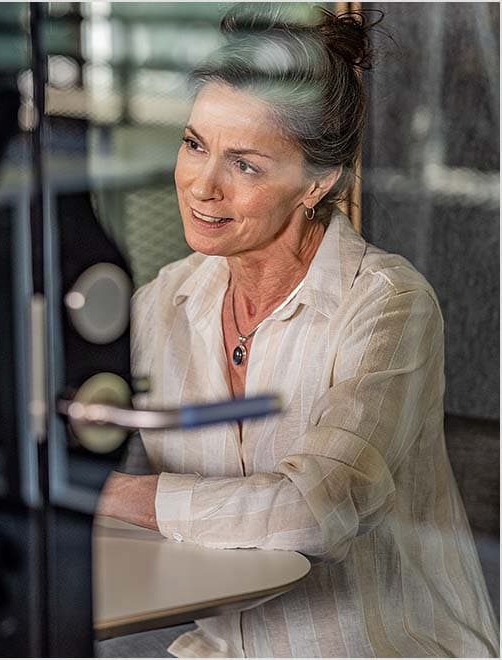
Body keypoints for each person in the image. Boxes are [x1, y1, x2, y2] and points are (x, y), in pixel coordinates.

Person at [96, 5, 499, 657]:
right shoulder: (163, 303)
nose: (203, 186)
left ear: (319, 180)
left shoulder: (388, 305)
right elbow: (79, 453)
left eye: (246, 165)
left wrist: (103, 494)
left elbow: (314, 512)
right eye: (194, 144)